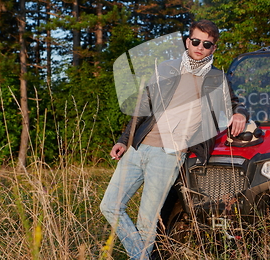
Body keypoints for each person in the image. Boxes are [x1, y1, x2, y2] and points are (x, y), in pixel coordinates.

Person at [100, 20, 248, 260]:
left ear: (214, 48)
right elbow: (142, 108)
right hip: (138, 148)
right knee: (109, 205)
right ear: (188, 41)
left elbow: (235, 104)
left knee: (147, 220)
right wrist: (123, 140)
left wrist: (240, 113)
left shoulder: (216, 79)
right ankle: (141, 257)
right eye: (196, 41)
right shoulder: (166, 69)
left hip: (169, 155)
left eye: (207, 44)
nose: (200, 47)